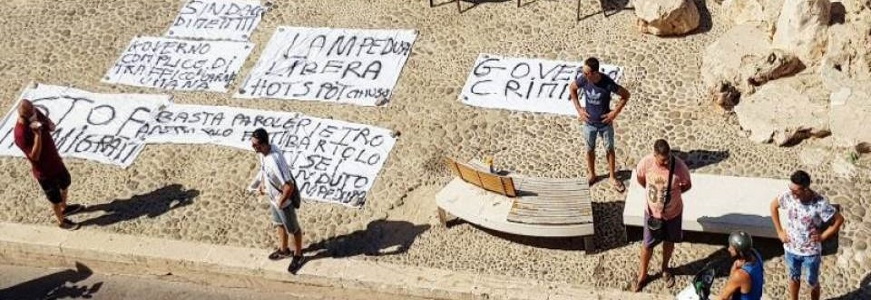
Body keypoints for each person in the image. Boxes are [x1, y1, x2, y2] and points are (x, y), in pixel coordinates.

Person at [771, 170, 844, 300]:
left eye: (795, 191)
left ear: (805, 189)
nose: (791, 193)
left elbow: (839, 220)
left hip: (811, 253)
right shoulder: (788, 196)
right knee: (793, 278)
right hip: (791, 249)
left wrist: (823, 236)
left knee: (812, 282)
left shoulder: (819, 203)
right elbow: (773, 206)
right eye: (790, 188)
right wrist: (779, 231)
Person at [13, 99, 83, 230]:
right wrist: (37, 135)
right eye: (32, 113)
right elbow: (35, 156)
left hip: (55, 161)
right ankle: (61, 221)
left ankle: (65, 207)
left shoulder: (35, 114)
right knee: (54, 198)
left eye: (34, 110)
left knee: (65, 183)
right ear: (24, 116)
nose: (35, 114)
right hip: (44, 172)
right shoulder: (20, 134)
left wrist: (49, 125)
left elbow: (51, 126)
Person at [632, 139, 692, 292]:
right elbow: (640, 178)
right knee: (647, 244)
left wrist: (671, 198)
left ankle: (665, 268)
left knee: (669, 241)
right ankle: (643, 274)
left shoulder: (679, 167)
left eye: (668, 158)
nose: (666, 162)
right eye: (662, 160)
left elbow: (686, 185)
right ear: (655, 155)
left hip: (673, 214)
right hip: (652, 214)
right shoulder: (646, 163)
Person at [569, 57, 631, 192]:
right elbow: (572, 88)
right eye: (583, 72)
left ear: (595, 73)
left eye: (586, 73)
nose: (583, 75)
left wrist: (614, 113)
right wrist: (579, 109)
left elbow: (625, 95)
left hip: (605, 124)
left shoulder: (607, 83)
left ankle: (612, 176)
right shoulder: (584, 80)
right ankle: (592, 175)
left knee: (610, 149)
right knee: (589, 149)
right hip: (589, 123)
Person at [249, 128, 305, 274]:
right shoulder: (264, 153)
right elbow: (264, 170)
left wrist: (281, 202)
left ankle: (298, 255)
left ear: (264, 144)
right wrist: (262, 184)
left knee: (293, 229)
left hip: (282, 202)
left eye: (256, 145)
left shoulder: (274, 160)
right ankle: (283, 249)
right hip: (273, 198)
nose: (253, 147)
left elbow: (289, 185)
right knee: (279, 224)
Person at [715, 231, 765, 300]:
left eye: (732, 248)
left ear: (740, 253)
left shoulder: (740, 275)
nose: (729, 249)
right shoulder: (756, 255)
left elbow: (722, 297)